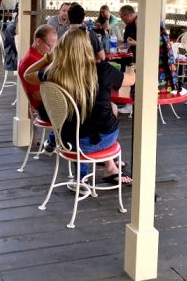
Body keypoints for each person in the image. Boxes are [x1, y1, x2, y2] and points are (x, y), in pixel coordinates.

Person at [24, 28, 134, 185]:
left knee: (79, 123)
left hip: (69, 141)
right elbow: (131, 80)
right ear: (88, 48)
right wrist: (132, 69)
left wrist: (47, 58)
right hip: (101, 140)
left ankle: (82, 178)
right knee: (111, 110)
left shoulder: (53, 73)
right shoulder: (103, 71)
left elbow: (28, 75)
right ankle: (109, 167)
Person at [18, 24, 57, 151]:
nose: (52, 50)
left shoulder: (42, 56)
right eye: (50, 46)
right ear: (38, 41)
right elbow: (36, 95)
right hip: (45, 108)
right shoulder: (30, 61)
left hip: (52, 103)